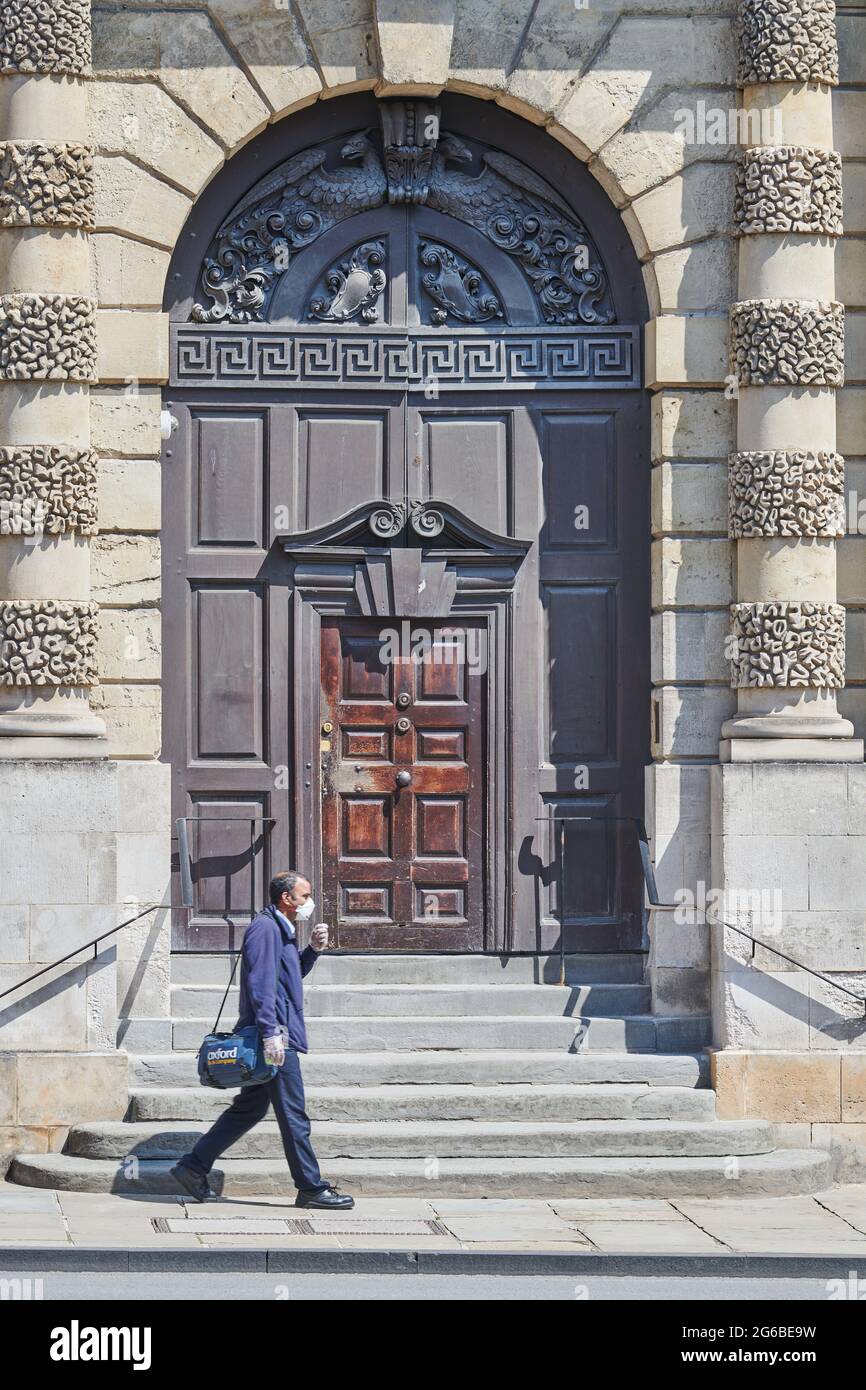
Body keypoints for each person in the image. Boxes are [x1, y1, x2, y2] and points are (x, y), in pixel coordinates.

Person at [170, 870, 354, 1209]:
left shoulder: (280, 930)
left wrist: (312, 950)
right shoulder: (266, 929)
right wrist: (271, 1034)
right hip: (275, 1041)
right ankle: (311, 1189)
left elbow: (286, 978)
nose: (308, 903)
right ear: (287, 898)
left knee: (248, 1111)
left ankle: (192, 1168)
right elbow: (260, 986)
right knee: (293, 1115)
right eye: (304, 896)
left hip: (276, 1035)